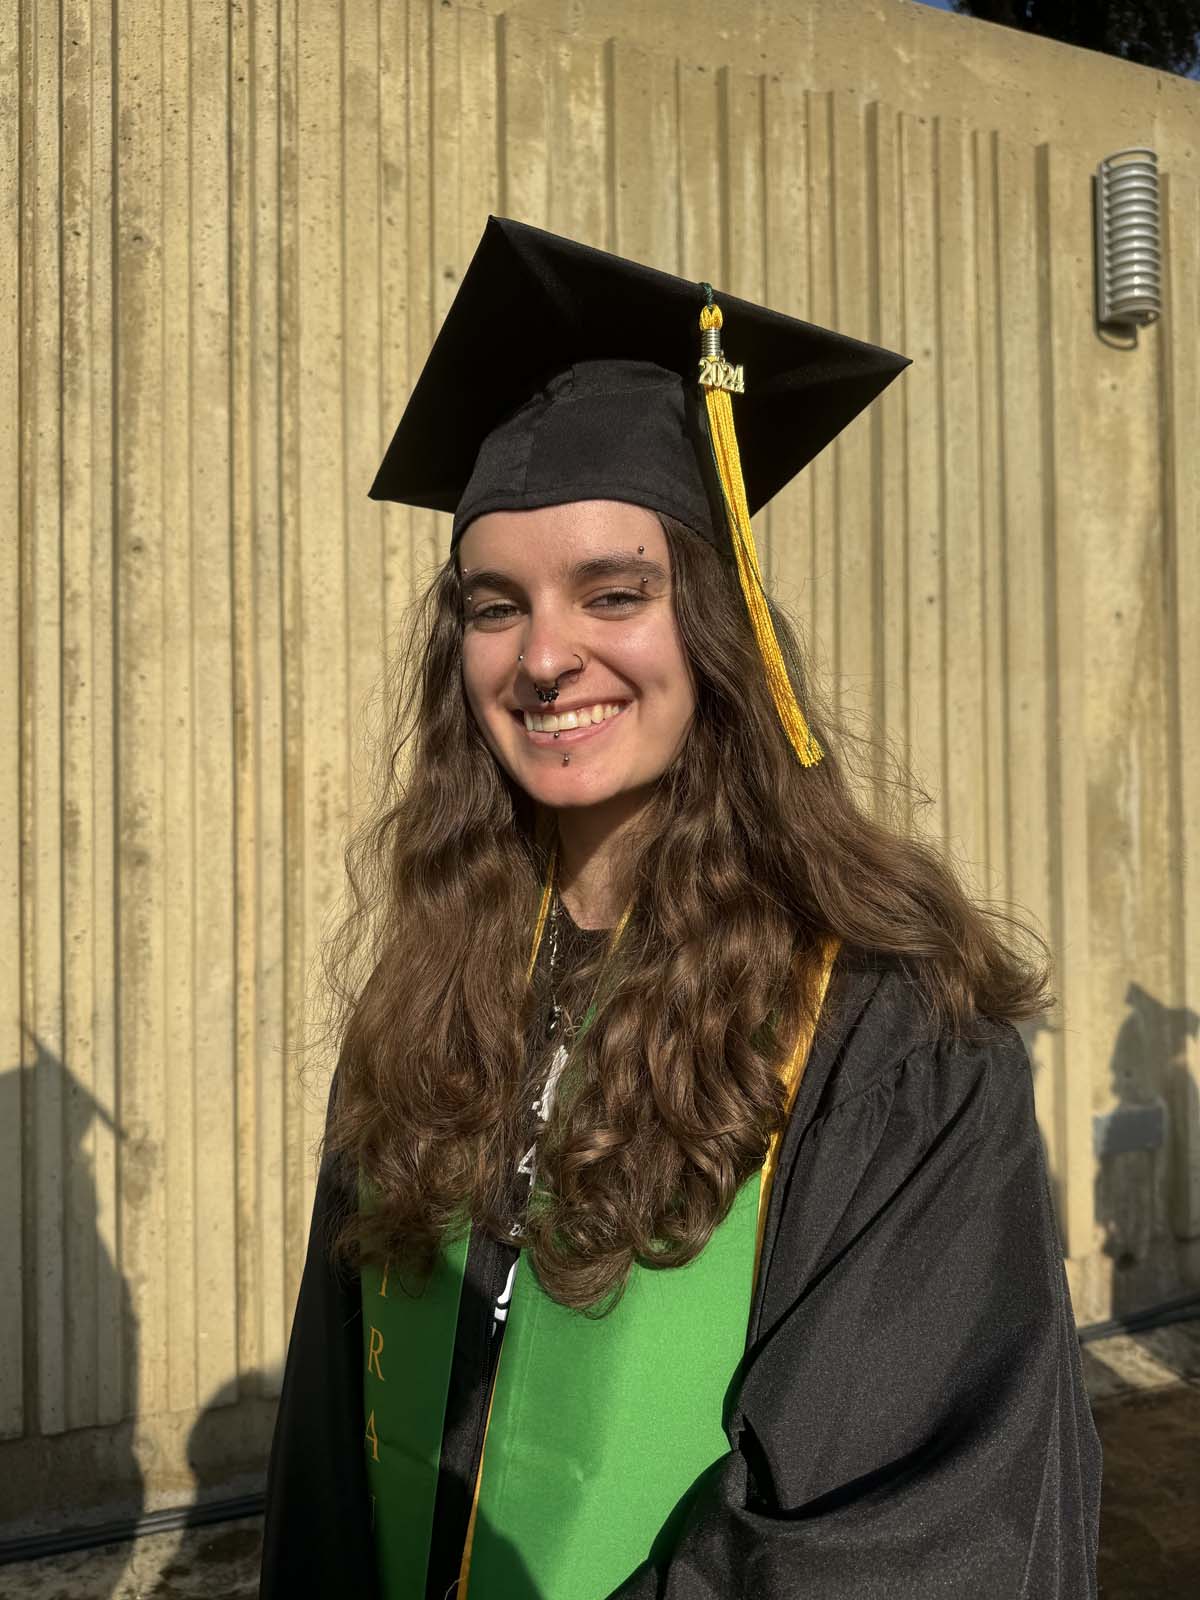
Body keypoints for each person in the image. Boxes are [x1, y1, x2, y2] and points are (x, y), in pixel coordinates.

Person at [260, 217, 1102, 1599]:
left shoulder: (886, 1033)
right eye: (493, 604)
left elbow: (903, 1531)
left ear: (716, 623)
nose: (544, 655)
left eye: (614, 591)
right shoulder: (426, 999)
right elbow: (330, 1466)